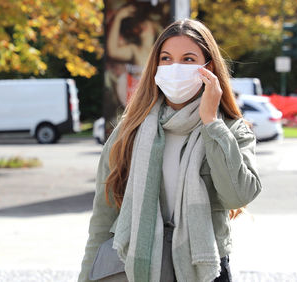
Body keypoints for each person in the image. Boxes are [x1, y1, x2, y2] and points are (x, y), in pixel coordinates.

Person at [78, 19, 262, 282]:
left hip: (205, 267)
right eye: (166, 58)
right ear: (156, 65)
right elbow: (103, 216)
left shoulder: (231, 130)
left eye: (188, 59)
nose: (175, 68)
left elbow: (238, 195)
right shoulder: (129, 131)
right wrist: (86, 276)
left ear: (208, 68)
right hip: (136, 265)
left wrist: (211, 122)